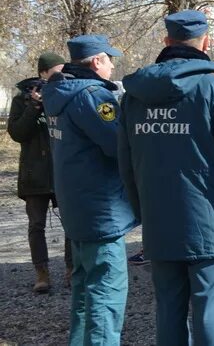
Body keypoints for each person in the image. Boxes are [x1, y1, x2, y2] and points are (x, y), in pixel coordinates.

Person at [118, 11, 214, 345]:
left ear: (166, 42)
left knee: (169, 310)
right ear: (205, 43)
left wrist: (141, 212)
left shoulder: (134, 95)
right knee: (210, 311)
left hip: (159, 223)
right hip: (209, 223)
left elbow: (126, 163)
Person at [42, 35, 137, 346]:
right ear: (96, 61)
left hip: (78, 208)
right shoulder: (93, 96)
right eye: (109, 59)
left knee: (85, 290)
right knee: (106, 294)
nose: (112, 66)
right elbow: (118, 146)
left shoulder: (57, 92)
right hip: (102, 212)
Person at [6, 52, 71, 293]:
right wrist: (34, 105)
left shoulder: (64, 95)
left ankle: (71, 269)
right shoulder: (21, 99)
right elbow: (18, 134)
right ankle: (41, 273)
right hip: (34, 173)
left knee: (71, 223)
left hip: (61, 170)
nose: (59, 77)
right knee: (36, 225)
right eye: (55, 72)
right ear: (43, 73)